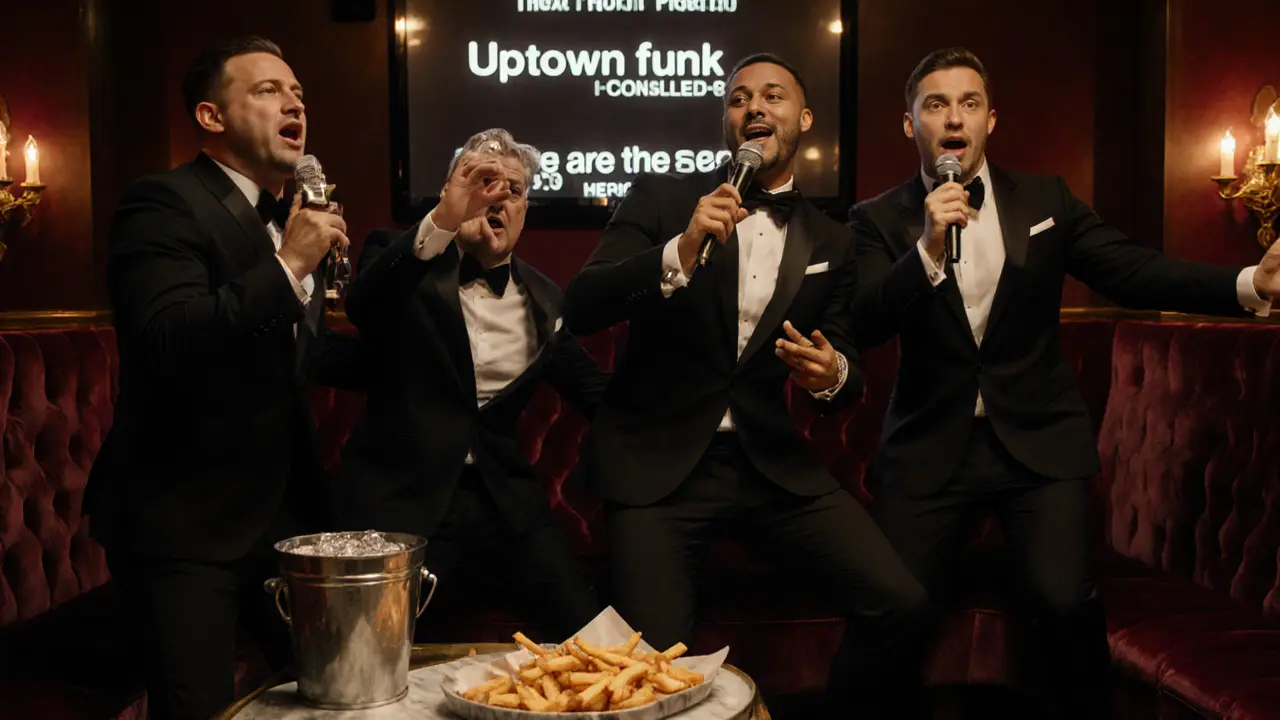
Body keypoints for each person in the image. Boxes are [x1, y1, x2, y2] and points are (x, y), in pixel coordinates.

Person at [848, 47, 1280, 719]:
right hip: (930, 447)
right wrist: (927, 248)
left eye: (969, 103)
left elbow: (1132, 270)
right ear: (911, 124)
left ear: (991, 120)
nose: (954, 118)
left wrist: (1248, 283)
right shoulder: (876, 219)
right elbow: (867, 318)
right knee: (890, 609)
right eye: (936, 105)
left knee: (1062, 604)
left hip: (1038, 445)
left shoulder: (1046, 199)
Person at [563, 53, 926, 717]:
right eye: (738, 99)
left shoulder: (834, 240)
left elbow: (847, 367)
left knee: (900, 602)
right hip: (658, 468)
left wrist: (832, 374)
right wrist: (678, 251)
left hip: (769, 466)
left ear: (804, 119)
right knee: (653, 674)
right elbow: (581, 306)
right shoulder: (662, 199)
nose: (754, 107)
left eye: (773, 96)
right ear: (726, 122)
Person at [83, 36, 351, 720]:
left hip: (283, 515)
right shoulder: (163, 202)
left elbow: (295, 357)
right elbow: (166, 337)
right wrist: (290, 266)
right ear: (211, 116)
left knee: (339, 696)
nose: (294, 103)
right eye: (268, 90)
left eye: (298, 94)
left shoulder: (294, 217)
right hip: (183, 520)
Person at [339, 129, 607, 640]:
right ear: (452, 192)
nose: (498, 198)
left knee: (592, 638)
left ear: (525, 210)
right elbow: (365, 308)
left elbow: (599, 394)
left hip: (506, 505)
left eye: (514, 190)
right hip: (405, 503)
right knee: (375, 650)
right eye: (483, 183)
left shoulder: (546, 299)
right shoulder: (401, 260)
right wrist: (443, 220)